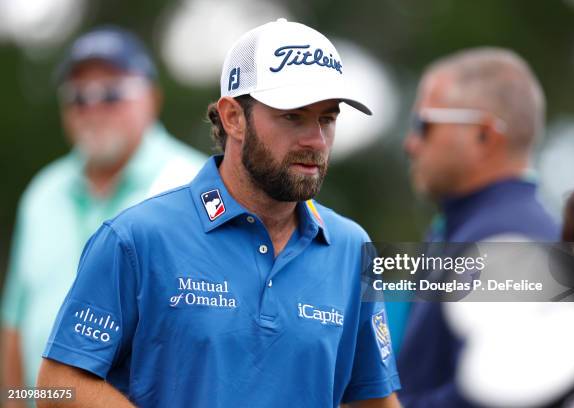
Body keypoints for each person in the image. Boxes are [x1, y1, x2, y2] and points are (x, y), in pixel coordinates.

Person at [36, 19, 401, 407]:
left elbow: (373, 399)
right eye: (292, 116)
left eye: (327, 119)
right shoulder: (136, 238)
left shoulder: (351, 247)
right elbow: (55, 386)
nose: (315, 140)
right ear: (233, 118)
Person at [0, 25, 206, 400]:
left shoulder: (195, 186)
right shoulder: (42, 192)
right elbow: (14, 326)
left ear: (152, 98)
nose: (92, 107)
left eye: (111, 92)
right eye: (78, 96)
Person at [396, 47, 559, 406]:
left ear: (484, 134)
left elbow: (502, 396)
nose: (411, 144)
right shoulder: (459, 231)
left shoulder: (510, 242)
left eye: (424, 125)